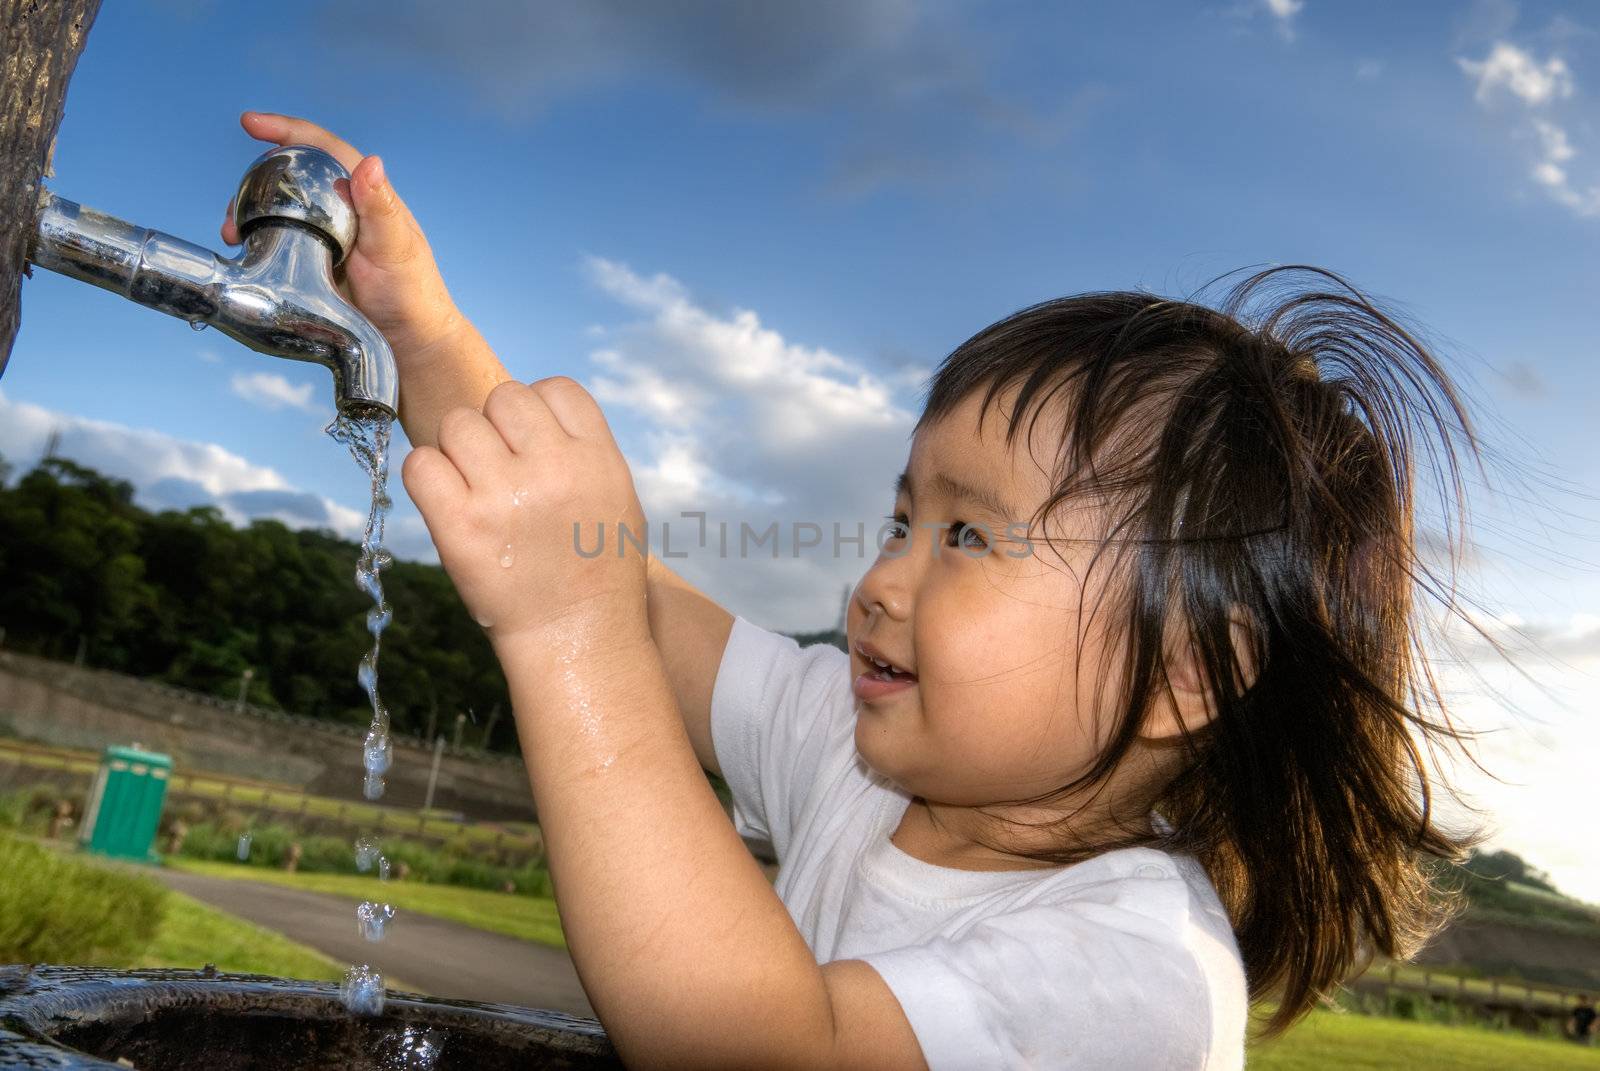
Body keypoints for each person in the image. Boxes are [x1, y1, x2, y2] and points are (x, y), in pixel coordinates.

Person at [225, 111, 1488, 1069]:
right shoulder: (851, 752)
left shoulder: (1136, 972)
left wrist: (568, 635)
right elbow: (631, 595)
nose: (880, 579)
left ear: (1183, 674)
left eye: (970, 539)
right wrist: (424, 332)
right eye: (901, 518)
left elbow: (763, 1044)